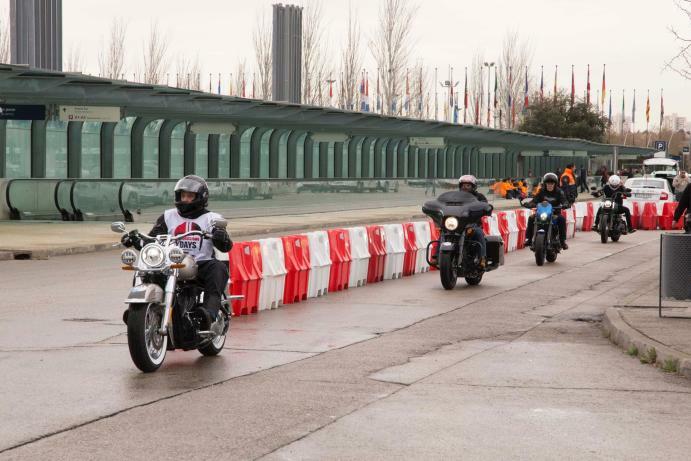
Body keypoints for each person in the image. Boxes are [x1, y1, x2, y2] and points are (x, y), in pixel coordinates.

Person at [121, 175, 233, 329]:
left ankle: (208, 313)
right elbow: (152, 239)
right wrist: (135, 240)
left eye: (190, 196)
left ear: (201, 197)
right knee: (145, 267)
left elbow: (225, 246)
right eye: (183, 195)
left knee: (218, 268)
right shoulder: (168, 216)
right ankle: (137, 310)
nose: (185, 199)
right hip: (171, 263)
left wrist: (221, 236)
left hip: (200, 264)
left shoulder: (212, 218)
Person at [524, 172, 570, 250]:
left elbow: (564, 200)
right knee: (531, 218)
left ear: (555, 184)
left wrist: (565, 204)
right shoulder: (541, 191)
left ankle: (562, 241)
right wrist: (529, 204)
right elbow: (535, 200)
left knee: (562, 219)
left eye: (552, 183)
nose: (550, 185)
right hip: (542, 213)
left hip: (555, 213)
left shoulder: (559, 192)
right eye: (548, 183)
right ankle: (529, 239)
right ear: (545, 184)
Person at [457, 174, 488, 268]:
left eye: (468, 185)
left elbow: (485, 205)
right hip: (457, 224)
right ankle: (437, 256)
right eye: (463, 185)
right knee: (444, 231)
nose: (465, 187)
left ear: (473, 186)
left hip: (473, 223)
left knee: (479, 233)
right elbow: (445, 204)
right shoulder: (455, 196)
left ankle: (482, 258)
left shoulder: (479, 196)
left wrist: (486, 208)